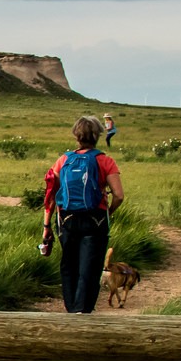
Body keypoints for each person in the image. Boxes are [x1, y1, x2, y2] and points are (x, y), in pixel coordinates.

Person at [41, 116, 125, 313]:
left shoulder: (63, 160)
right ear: (97, 135)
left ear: (76, 136)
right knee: (91, 267)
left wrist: (46, 227)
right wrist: (108, 213)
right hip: (96, 220)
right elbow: (119, 196)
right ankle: (83, 310)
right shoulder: (105, 161)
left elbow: (51, 196)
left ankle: (71, 309)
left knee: (69, 265)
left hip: (66, 219)